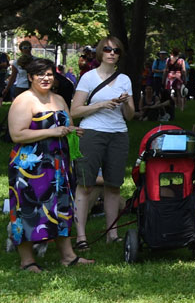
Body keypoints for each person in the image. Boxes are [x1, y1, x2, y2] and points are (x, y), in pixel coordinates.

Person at [8, 58, 93, 271]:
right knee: (28, 209)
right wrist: (51, 132)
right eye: (40, 75)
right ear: (30, 77)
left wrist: (72, 131)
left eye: (49, 74)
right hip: (31, 167)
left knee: (60, 207)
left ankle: (68, 256)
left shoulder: (59, 99)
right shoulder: (23, 101)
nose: (46, 78)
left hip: (58, 164)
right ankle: (27, 261)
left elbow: (67, 124)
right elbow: (17, 134)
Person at [70, 37, 135, 249]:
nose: (112, 53)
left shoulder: (124, 79)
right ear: (100, 52)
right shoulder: (88, 77)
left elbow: (130, 115)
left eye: (116, 50)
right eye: (107, 49)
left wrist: (126, 102)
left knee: (114, 186)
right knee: (85, 185)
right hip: (92, 133)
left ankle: (112, 234)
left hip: (118, 134)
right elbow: (75, 111)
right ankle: (81, 237)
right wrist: (101, 105)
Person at [165, 49, 186, 114]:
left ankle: (170, 106)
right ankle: (181, 108)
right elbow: (183, 70)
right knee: (179, 93)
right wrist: (184, 78)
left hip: (170, 77)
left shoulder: (168, 60)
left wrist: (164, 79)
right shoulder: (181, 60)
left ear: (172, 53)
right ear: (178, 53)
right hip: (178, 77)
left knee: (168, 93)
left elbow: (166, 70)